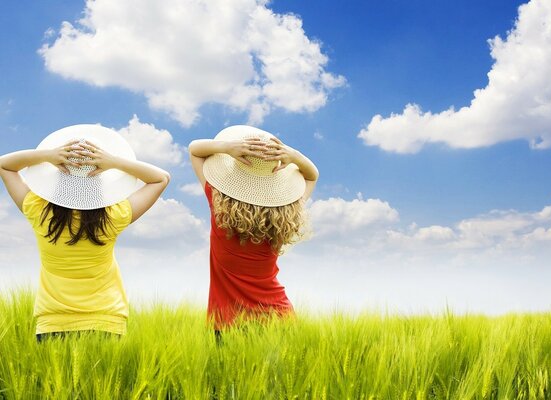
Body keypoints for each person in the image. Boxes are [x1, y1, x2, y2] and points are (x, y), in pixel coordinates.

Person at [0, 124, 170, 341]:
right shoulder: (113, 216)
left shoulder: (38, 211)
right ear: (99, 180)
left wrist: (48, 156)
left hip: (53, 322)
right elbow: (161, 178)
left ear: (58, 178)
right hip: (106, 320)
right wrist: (113, 162)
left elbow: (5, 165)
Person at [189, 125, 319, 336]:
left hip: (227, 323)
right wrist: (293, 155)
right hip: (279, 319)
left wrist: (228, 148)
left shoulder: (220, 207)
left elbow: (195, 149)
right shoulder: (287, 212)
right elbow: (312, 176)